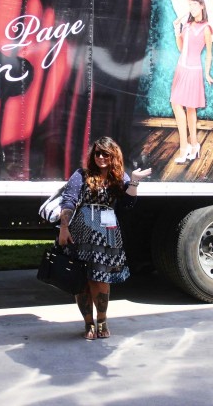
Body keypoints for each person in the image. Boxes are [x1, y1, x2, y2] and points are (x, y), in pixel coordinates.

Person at [57, 137, 152, 340]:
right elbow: (68, 201)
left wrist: (134, 181)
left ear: (113, 156)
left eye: (105, 154)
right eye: (97, 153)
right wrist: (64, 228)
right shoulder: (81, 174)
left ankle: (102, 321)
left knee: (101, 279)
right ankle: (88, 323)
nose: (100, 157)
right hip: (81, 230)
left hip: (107, 233)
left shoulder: (119, 176)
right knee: (81, 279)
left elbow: (127, 205)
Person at [170, 0, 213, 163]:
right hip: (181, 69)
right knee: (184, 107)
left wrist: (207, 73)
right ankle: (194, 144)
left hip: (193, 70)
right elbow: (181, 48)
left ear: (202, 5)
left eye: (195, 4)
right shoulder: (187, 25)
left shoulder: (206, 28)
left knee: (186, 107)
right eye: (190, 4)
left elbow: (209, 53)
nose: (192, 7)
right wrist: (177, 29)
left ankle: (185, 147)